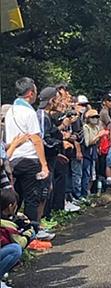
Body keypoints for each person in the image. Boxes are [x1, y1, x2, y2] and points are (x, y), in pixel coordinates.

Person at [5, 77, 49, 223]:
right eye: (35, 90)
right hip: (29, 159)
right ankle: (33, 232)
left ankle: (14, 229)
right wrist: (44, 164)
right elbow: (36, 139)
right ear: (30, 93)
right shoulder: (29, 112)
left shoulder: (11, 111)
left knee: (16, 197)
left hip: (13, 160)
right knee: (32, 198)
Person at [81, 109, 102, 197]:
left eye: (97, 117)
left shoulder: (97, 128)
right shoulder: (86, 127)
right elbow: (87, 142)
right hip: (87, 153)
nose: (95, 119)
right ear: (88, 118)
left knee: (93, 174)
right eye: (93, 117)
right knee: (86, 173)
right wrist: (98, 136)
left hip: (94, 153)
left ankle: (89, 191)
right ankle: (84, 193)